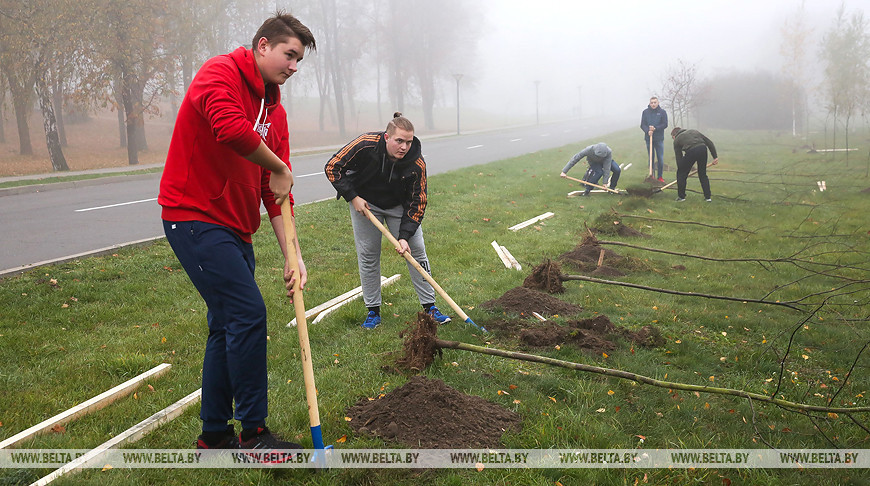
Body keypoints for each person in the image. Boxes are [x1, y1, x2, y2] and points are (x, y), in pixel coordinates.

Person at [157, 12, 316, 453]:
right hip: (192, 215)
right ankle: (254, 433)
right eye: (289, 55)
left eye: (299, 60)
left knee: (225, 325)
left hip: (235, 229)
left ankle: (213, 436)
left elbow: (275, 191)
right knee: (247, 314)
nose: (294, 67)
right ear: (262, 46)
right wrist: (280, 166)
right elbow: (229, 129)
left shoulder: (276, 110)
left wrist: (293, 255)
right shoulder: (219, 72)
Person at [324, 113, 452, 330]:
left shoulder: (416, 163)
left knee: (417, 250)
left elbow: (418, 202)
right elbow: (332, 167)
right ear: (387, 137)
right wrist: (353, 197)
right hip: (365, 204)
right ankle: (373, 311)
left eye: (409, 142)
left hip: (398, 207)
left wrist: (404, 237)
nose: (404, 147)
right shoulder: (365, 144)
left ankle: (430, 307)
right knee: (368, 254)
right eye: (399, 141)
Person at [671, 127, 719, 202]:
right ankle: (708, 198)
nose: (673, 139)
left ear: (674, 135)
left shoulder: (677, 140)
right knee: (702, 174)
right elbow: (709, 142)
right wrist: (715, 157)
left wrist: (681, 170)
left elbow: (679, 157)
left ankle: (681, 197)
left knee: (681, 173)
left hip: (691, 151)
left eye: (672, 138)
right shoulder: (694, 131)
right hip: (703, 149)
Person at [640, 96, 668, 182]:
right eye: (651, 103)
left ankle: (660, 177)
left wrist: (655, 128)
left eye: (655, 102)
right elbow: (642, 124)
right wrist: (647, 131)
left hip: (659, 139)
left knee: (660, 158)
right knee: (651, 158)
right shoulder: (645, 112)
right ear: (649, 103)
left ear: (658, 103)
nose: (653, 104)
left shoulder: (662, 112)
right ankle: (651, 176)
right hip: (649, 139)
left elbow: (665, 124)